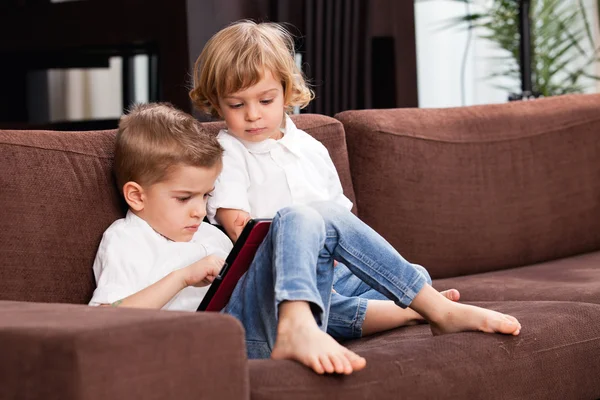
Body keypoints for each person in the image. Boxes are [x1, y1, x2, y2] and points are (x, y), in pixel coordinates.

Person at [90, 102, 520, 376]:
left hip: (256, 323)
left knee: (321, 218)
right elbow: (102, 320)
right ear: (136, 195)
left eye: (205, 196)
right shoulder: (127, 239)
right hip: (217, 340)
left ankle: (426, 309)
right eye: (184, 197)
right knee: (296, 215)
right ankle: (306, 324)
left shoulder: (206, 233)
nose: (200, 210)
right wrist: (182, 277)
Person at [189, 20, 474, 340]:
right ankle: (400, 314)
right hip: (275, 281)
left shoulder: (311, 148)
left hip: (331, 273)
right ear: (216, 102)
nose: (253, 114)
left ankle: (386, 309)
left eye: (265, 101)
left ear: (286, 91)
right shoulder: (226, 153)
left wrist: (339, 260)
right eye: (237, 104)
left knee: (415, 275)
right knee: (302, 239)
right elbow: (242, 231)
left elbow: (343, 223)